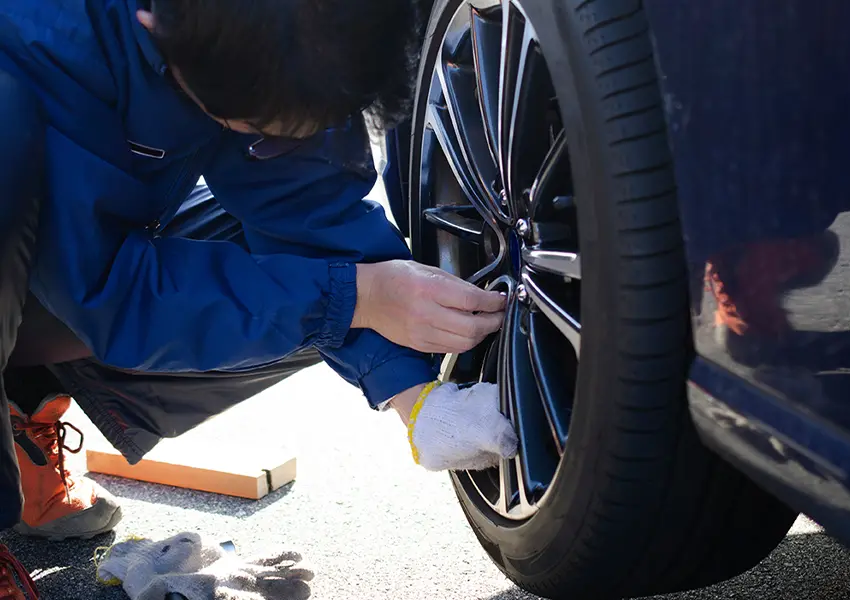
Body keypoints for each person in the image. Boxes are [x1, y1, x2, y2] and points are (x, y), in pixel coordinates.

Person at [0, 0, 518, 596]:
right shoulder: (49, 41)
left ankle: (23, 412)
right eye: (249, 122)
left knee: (323, 279)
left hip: (63, 269)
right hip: (47, 244)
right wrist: (358, 298)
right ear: (157, 27)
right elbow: (109, 292)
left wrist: (416, 396)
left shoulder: (285, 26)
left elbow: (310, 209)